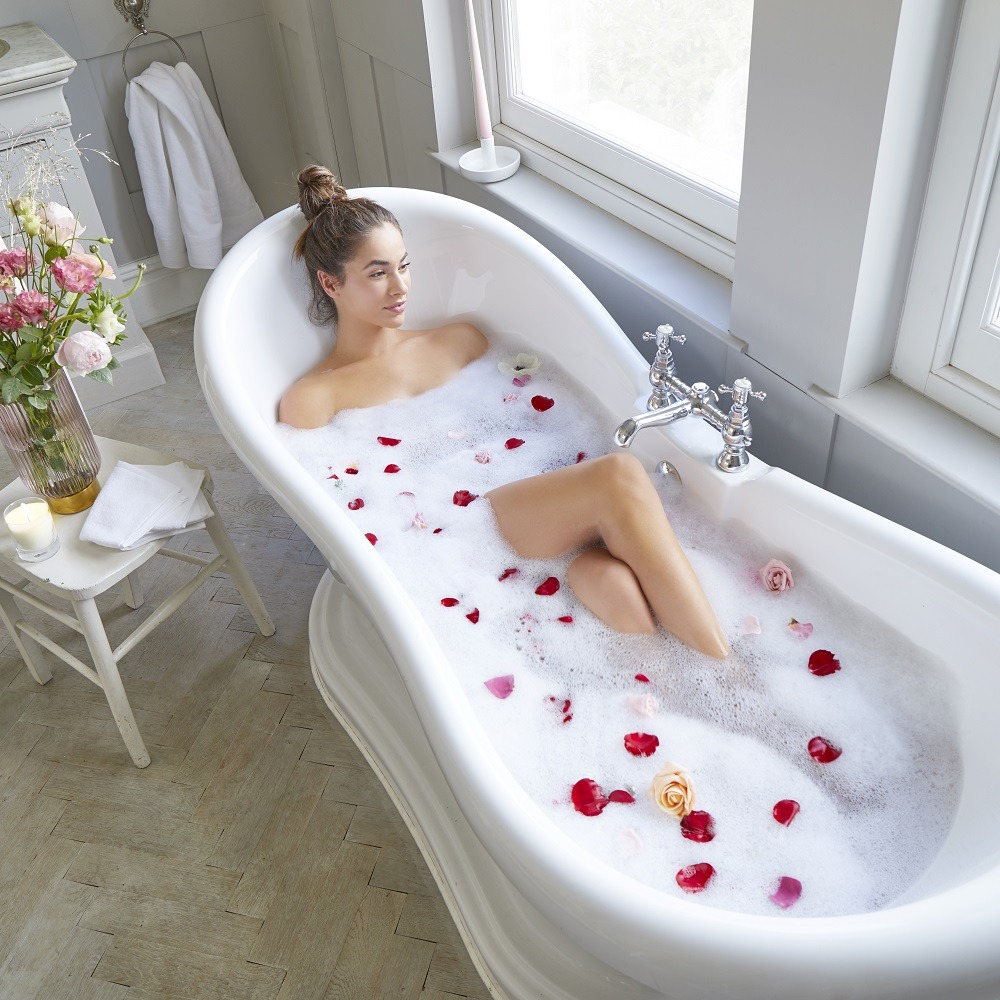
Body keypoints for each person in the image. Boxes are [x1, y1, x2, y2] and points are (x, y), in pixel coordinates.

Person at [279, 166, 729, 659]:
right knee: (619, 474)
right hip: (458, 532)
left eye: (403, 265)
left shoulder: (459, 341)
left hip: (532, 503)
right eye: (377, 273)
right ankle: (730, 675)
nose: (400, 287)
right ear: (330, 282)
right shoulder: (313, 399)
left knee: (607, 579)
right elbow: (349, 508)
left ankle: (691, 691)